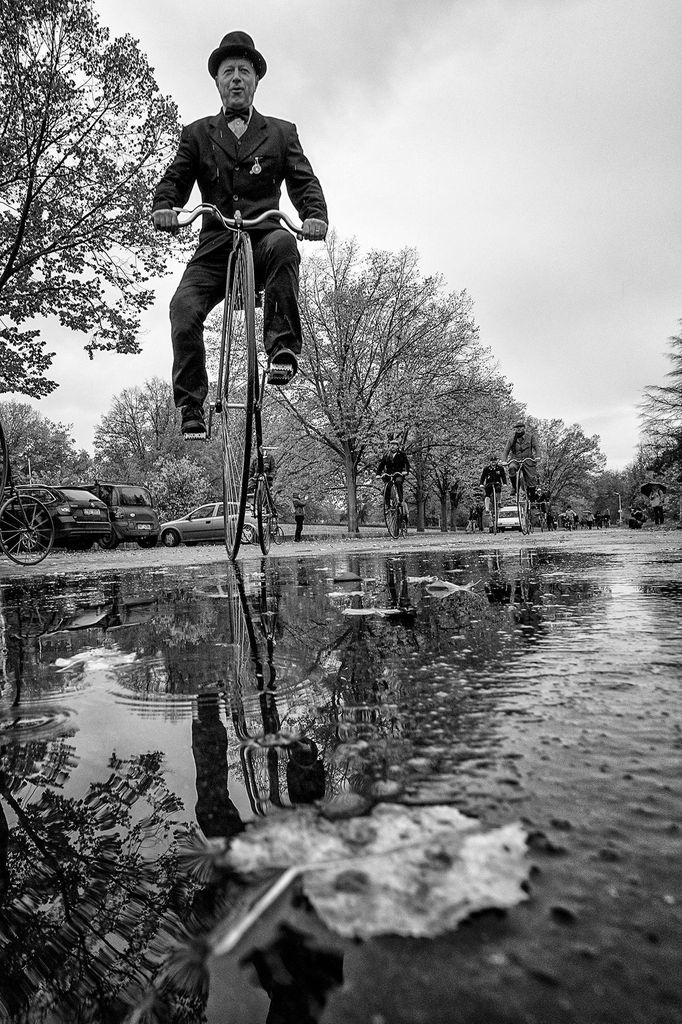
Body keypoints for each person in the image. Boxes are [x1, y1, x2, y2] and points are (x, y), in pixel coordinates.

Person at [152, 31, 328, 436]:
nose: (235, 78)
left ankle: (281, 349)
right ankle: (191, 404)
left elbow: (304, 182)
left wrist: (314, 215)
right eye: (228, 71)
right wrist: (165, 207)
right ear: (217, 81)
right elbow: (175, 180)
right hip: (215, 244)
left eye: (243, 71)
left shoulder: (281, 132)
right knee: (182, 309)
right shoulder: (197, 134)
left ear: (255, 80)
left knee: (286, 244)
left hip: (263, 236)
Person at [503, 418, 538, 500]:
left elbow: (536, 447)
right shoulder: (511, 439)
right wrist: (503, 460)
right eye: (517, 427)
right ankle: (515, 487)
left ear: (524, 428)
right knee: (511, 468)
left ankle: (531, 493)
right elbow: (506, 451)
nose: (518, 429)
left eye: (520, 427)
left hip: (528, 459)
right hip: (515, 459)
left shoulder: (530, 437)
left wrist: (537, 457)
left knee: (531, 478)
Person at [378, 443, 410, 510]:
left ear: (397, 446)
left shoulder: (401, 454)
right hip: (389, 474)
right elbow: (381, 465)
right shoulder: (387, 455)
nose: (392, 446)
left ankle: (400, 500)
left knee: (398, 482)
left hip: (399, 473)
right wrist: (378, 474)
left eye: (394, 445)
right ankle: (388, 504)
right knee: (387, 487)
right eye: (391, 444)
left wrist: (406, 471)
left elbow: (406, 463)